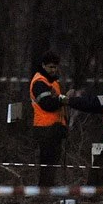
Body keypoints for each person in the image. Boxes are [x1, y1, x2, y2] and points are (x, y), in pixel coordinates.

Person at [29, 50, 68, 186]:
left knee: (51, 162)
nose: (53, 70)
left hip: (53, 128)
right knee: (47, 162)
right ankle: (44, 190)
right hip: (45, 128)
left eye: (55, 67)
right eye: (51, 67)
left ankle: (47, 188)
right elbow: (47, 104)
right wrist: (63, 99)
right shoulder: (40, 82)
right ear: (43, 65)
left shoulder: (51, 82)